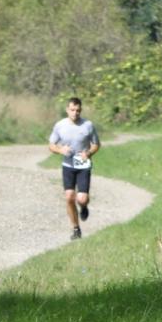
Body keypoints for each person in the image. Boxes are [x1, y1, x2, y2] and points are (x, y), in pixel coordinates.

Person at [48, 97, 100, 240]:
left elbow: (96, 144)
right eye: (72, 110)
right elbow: (51, 145)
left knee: (82, 199)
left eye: (78, 110)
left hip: (83, 165)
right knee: (69, 197)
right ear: (67, 110)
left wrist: (88, 153)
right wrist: (60, 150)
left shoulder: (88, 125)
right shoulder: (60, 125)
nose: (75, 113)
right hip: (68, 166)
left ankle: (83, 206)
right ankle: (76, 229)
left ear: (80, 110)